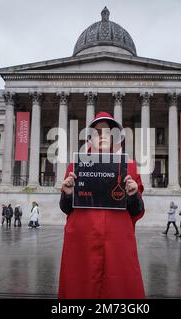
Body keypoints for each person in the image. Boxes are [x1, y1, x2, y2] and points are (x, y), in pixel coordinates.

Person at [59, 112, 146, 299]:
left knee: (118, 287)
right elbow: (67, 208)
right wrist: (67, 195)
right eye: (98, 132)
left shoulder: (129, 166)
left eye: (109, 132)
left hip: (117, 239)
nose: (103, 136)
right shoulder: (76, 164)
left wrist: (133, 195)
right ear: (90, 138)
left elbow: (137, 210)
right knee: (80, 285)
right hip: (82, 239)